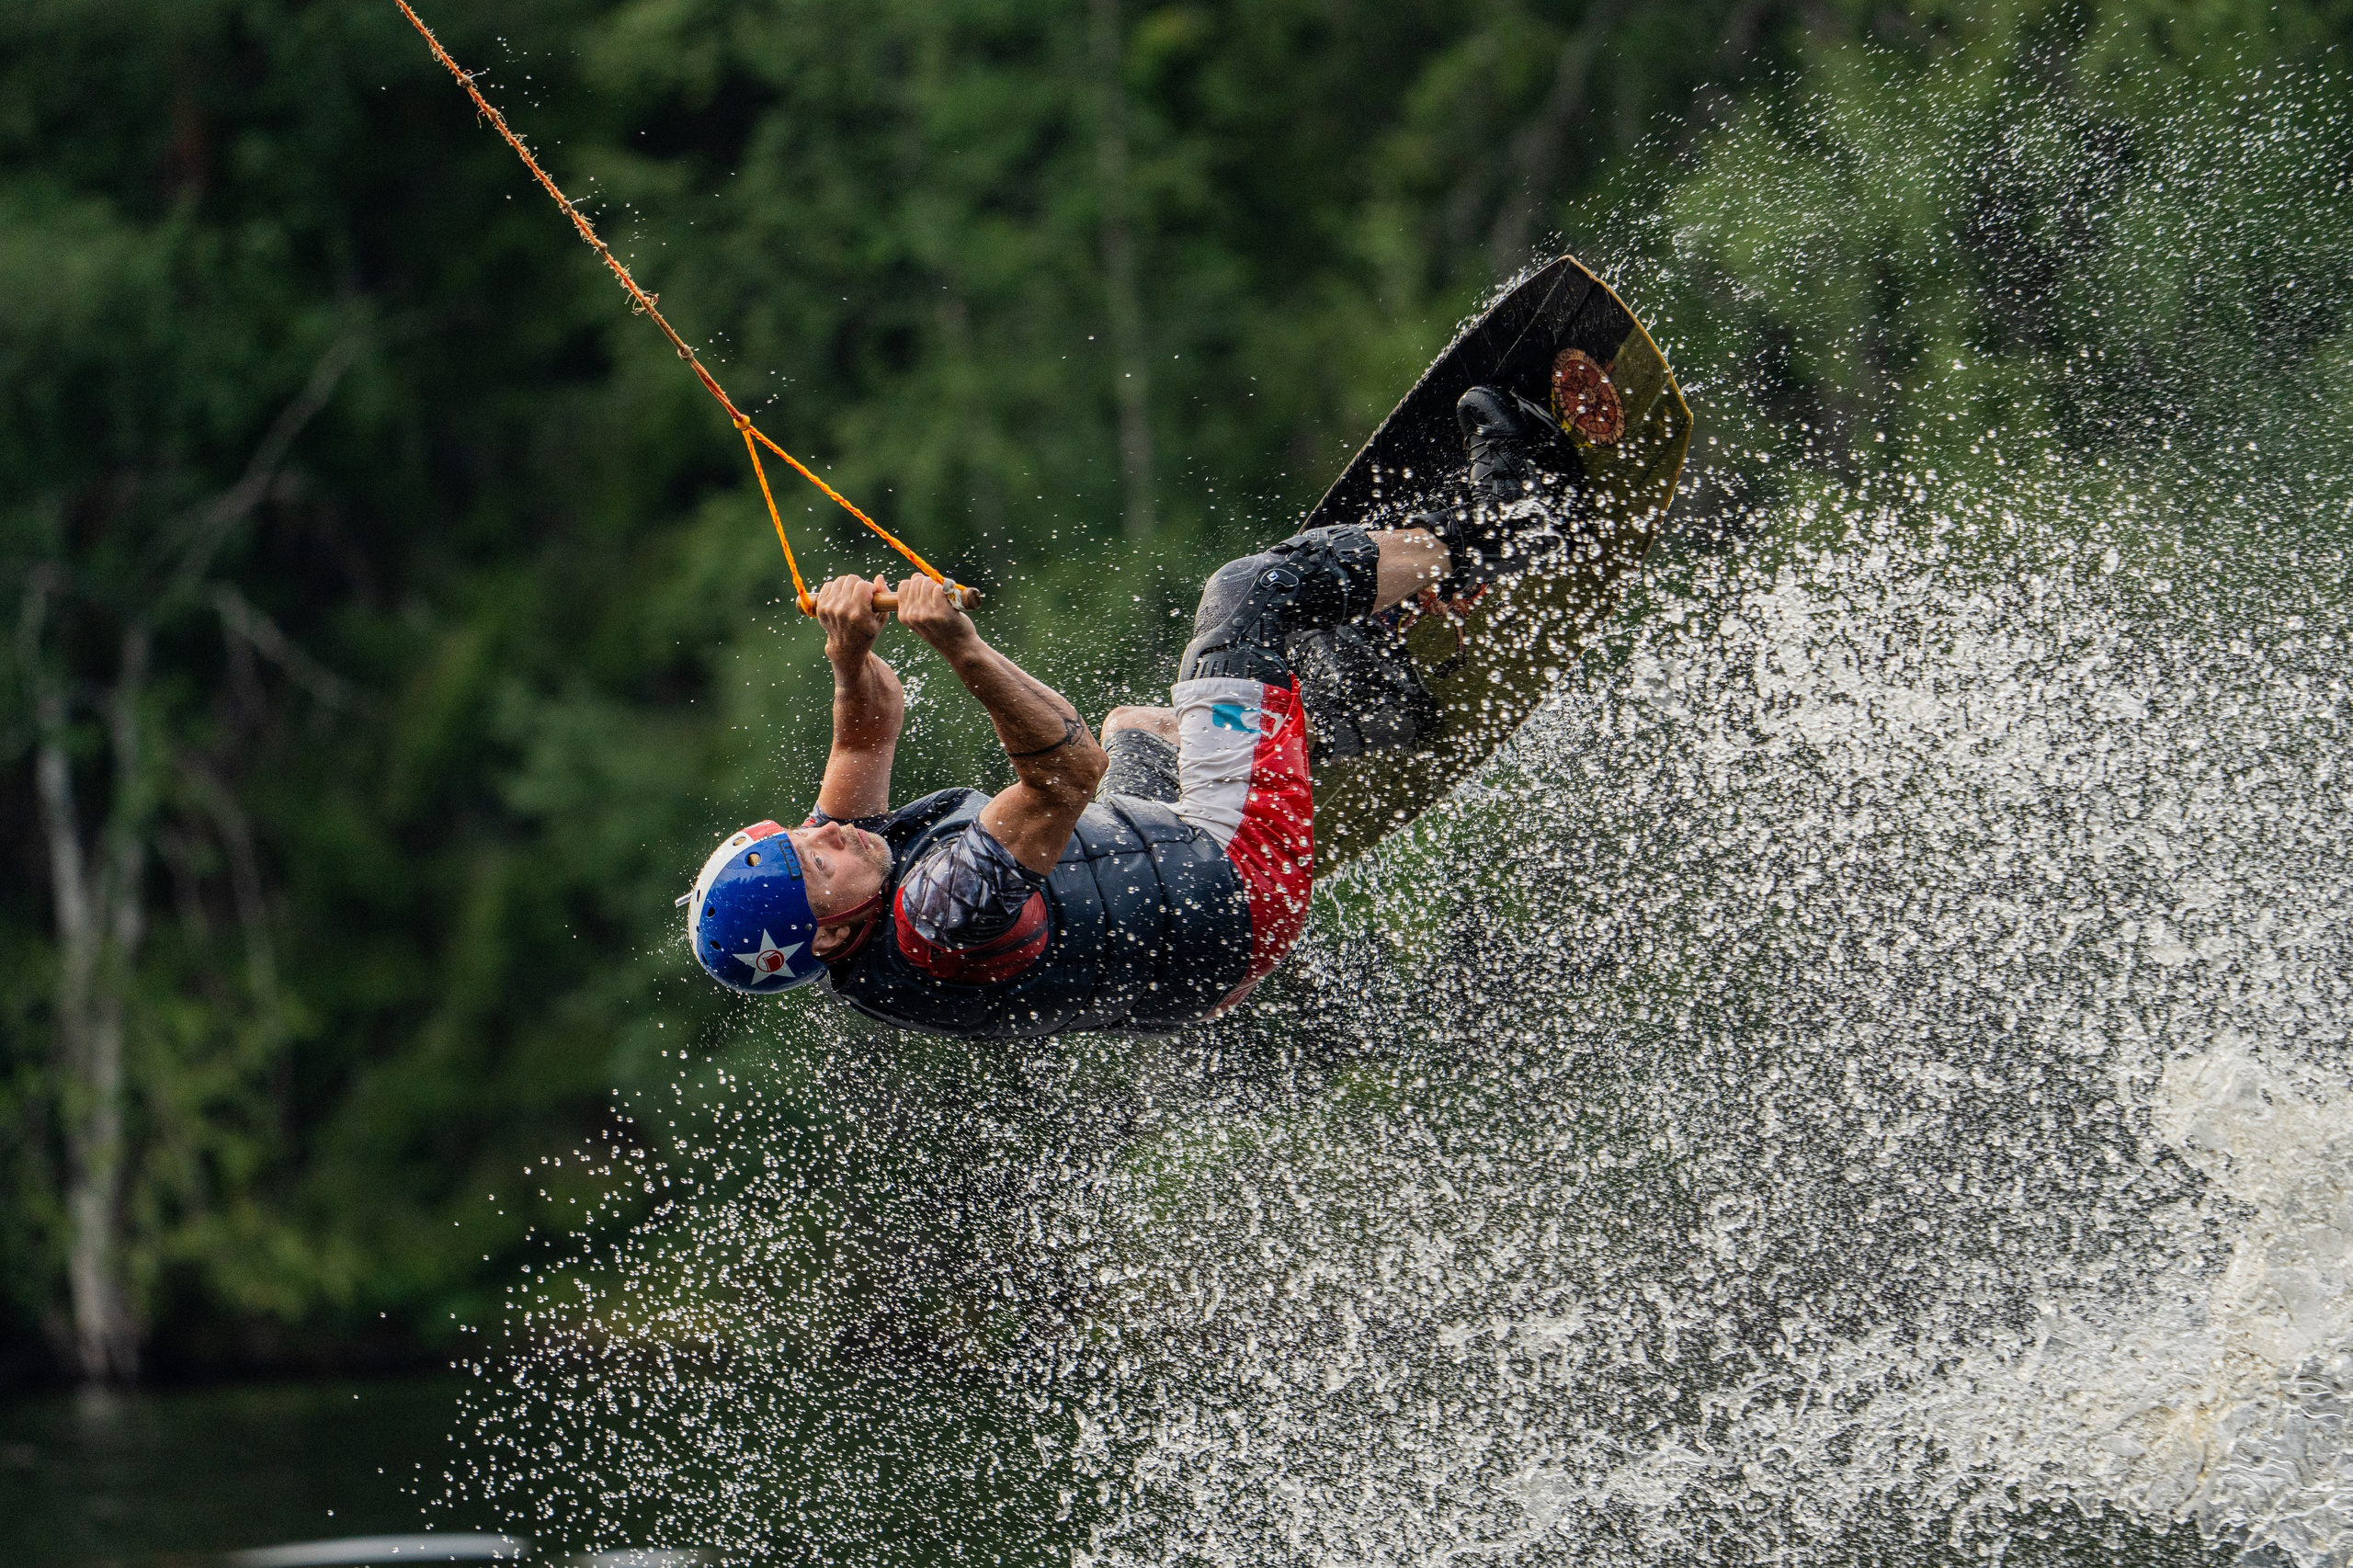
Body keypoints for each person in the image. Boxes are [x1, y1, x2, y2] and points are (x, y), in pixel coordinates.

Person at [683, 386, 1570, 1039]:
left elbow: (869, 726)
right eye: (814, 863)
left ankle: (1356, 708)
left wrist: (850, 654)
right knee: (1247, 597)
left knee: (1140, 727)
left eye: (805, 835)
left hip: (1194, 940)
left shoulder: (843, 878)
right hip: (1237, 879)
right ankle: (1506, 524)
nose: (831, 836)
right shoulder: (935, 913)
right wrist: (961, 646)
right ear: (829, 931)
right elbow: (1068, 773)